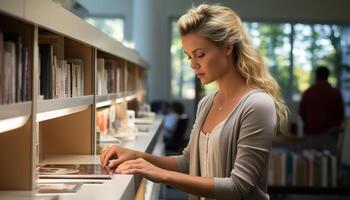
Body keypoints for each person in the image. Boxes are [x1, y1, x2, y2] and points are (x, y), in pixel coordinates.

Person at [100, 4, 287, 199]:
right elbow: (189, 162)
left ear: (228, 47)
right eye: (189, 56)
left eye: (200, 54)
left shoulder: (257, 105)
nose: (193, 64)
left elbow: (238, 186)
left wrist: (162, 175)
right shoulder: (207, 103)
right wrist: (140, 157)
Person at [299, 66, 344, 151]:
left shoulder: (308, 92)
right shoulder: (335, 93)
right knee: (330, 163)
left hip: (310, 136)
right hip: (329, 136)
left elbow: (302, 113)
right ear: (328, 76)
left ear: (316, 76)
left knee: (309, 163)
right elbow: (340, 115)